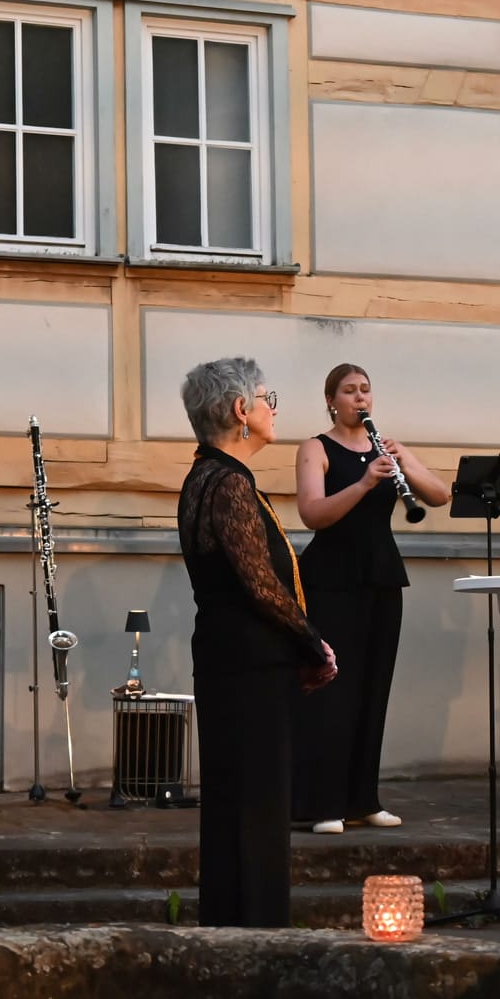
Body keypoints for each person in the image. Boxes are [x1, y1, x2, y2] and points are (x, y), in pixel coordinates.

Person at [176, 357, 336, 926]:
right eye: (269, 399)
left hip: (228, 659)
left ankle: (228, 930)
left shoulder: (204, 476)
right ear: (242, 410)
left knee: (232, 808)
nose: (274, 409)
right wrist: (313, 644)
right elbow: (260, 584)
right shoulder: (228, 483)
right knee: (258, 810)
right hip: (250, 665)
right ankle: (257, 936)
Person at [292, 364, 450, 834]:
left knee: (373, 689)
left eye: (365, 390)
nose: (360, 398)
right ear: (331, 400)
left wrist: (405, 464)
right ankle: (323, 804)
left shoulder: (387, 447)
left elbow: (440, 495)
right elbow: (312, 513)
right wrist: (363, 483)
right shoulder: (315, 449)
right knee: (332, 691)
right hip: (331, 579)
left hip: (381, 577)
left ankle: (363, 799)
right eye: (349, 391)